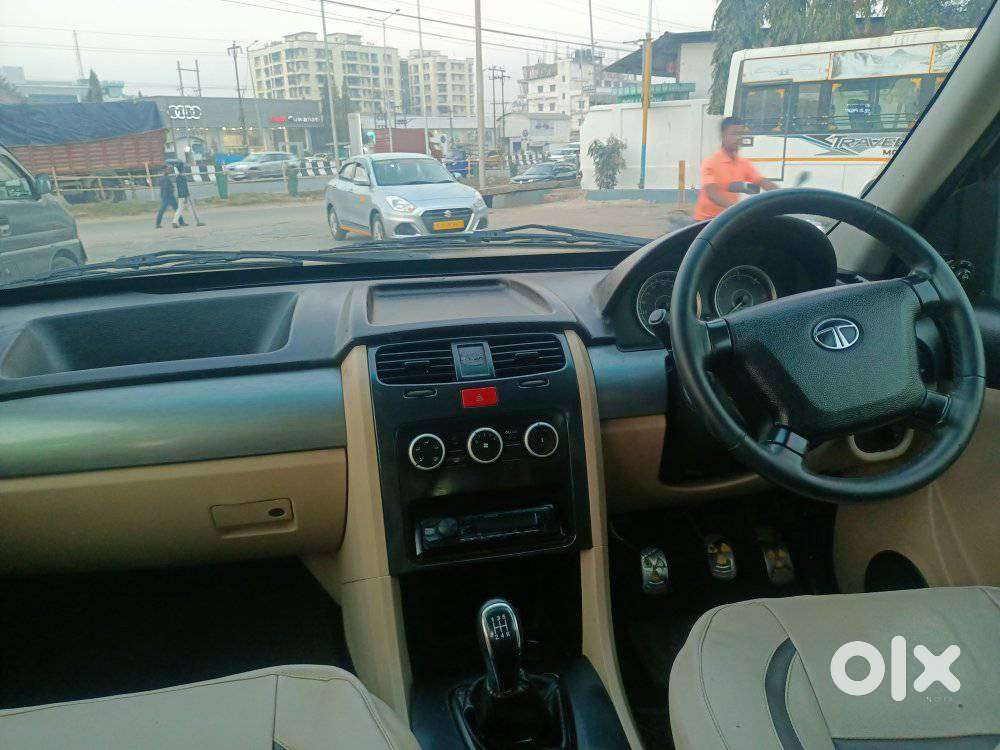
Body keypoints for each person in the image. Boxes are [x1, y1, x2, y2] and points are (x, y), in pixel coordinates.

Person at [694, 117, 777, 221]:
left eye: (741, 134)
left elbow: (762, 181)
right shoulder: (710, 163)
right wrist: (737, 209)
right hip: (706, 222)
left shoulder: (744, 164)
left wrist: (782, 195)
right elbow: (712, 194)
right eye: (734, 134)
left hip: (729, 219)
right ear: (723, 136)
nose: (739, 138)